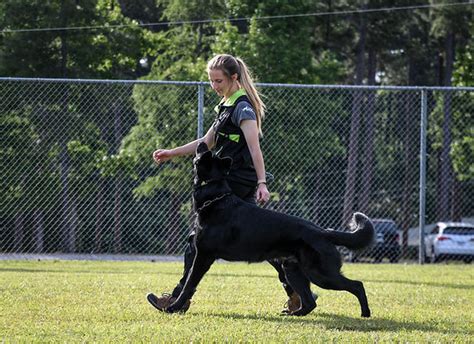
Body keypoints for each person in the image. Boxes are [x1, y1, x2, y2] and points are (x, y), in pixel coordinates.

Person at [147, 54, 312, 314]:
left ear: (234, 77)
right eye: (211, 81)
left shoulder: (243, 108)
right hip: (228, 184)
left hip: (235, 184)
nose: (214, 85)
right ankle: (297, 294)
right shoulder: (226, 105)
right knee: (264, 243)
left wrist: (262, 182)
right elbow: (206, 142)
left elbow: (255, 149)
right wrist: (171, 152)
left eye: (219, 80)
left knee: (198, 241)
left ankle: (179, 299)